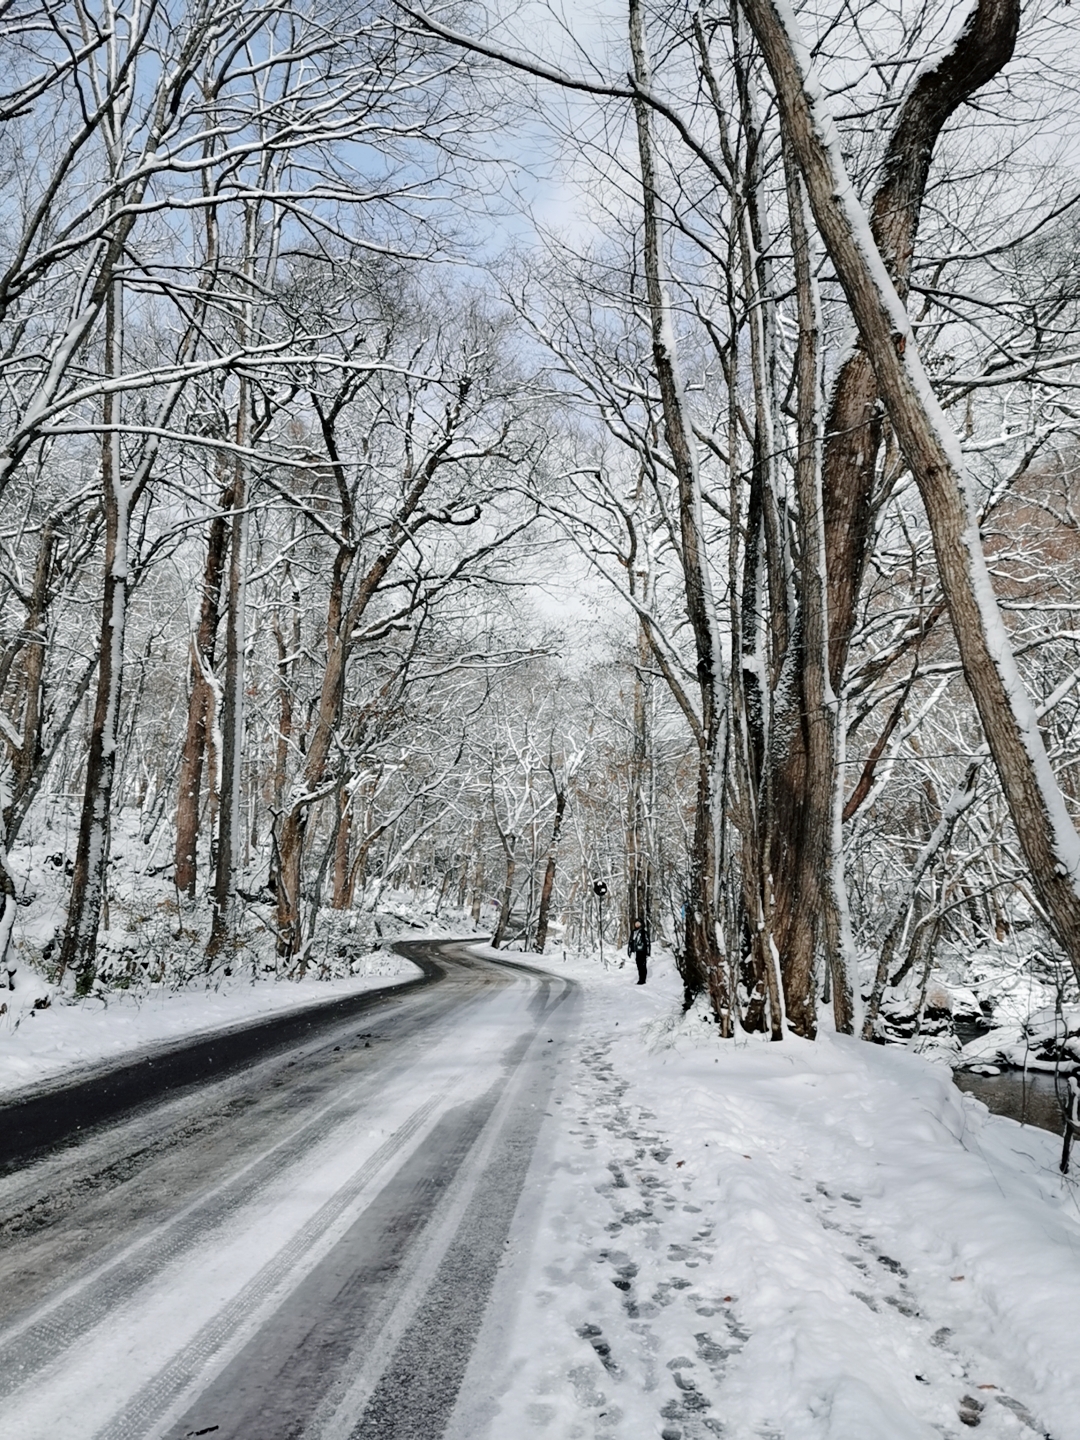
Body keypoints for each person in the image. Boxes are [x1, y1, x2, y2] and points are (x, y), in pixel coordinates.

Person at [628, 918, 650, 985]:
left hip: (642, 951)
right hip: (636, 951)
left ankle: (642, 979)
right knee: (639, 965)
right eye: (636, 923)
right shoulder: (633, 932)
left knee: (642, 966)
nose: (637, 924)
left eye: (638, 923)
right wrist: (630, 950)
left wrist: (648, 952)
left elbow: (647, 942)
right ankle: (640, 978)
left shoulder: (644, 932)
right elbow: (631, 941)